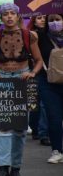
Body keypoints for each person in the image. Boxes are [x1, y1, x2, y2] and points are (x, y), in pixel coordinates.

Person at [0, 3, 43, 176]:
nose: (9, 16)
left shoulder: (29, 36)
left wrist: (32, 73)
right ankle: (3, 167)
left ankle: (15, 167)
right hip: (1, 80)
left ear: (18, 16)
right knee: (2, 127)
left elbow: (38, 60)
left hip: (22, 79)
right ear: (0, 17)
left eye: (12, 13)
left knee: (20, 128)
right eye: (5, 14)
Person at [31, 14, 63, 163]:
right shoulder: (40, 37)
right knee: (53, 117)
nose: (54, 23)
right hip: (48, 83)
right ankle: (57, 150)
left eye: (58, 19)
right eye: (51, 20)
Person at [27, 15, 50, 146]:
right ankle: (37, 128)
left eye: (45, 18)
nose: (42, 20)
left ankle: (41, 131)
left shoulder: (50, 34)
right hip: (34, 71)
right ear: (34, 20)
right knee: (35, 101)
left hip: (48, 72)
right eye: (39, 18)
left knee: (42, 102)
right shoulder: (31, 35)